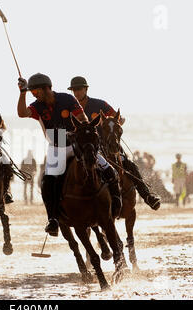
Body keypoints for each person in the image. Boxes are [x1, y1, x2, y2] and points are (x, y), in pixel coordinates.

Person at [17, 73, 122, 236]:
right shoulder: (37, 105)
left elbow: (82, 117)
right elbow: (22, 113)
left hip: (75, 142)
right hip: (56, 145)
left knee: (108, 169)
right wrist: (22, 93)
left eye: (35, 92)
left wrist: (79, 129)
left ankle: (116, 205)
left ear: (46, 88)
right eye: (32, 93)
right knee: (48, 180)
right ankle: (53, 219)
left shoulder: (67, 99)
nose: (34, 95)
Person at [68, 76, 160, 210]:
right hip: (85, 147)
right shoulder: (71, 108)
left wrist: (118, 123)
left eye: (79, 89)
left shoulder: (99, 104)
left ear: (86, 89)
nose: (77, 92)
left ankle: (147, 196)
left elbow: (117, 117)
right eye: (74, 90)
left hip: (108, 144)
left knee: (129, 165)